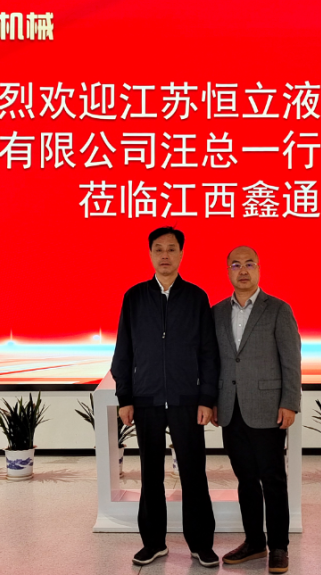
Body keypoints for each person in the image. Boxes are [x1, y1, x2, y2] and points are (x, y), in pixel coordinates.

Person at [110, 226, 221, 568]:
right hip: (147, 399)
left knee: (193, 473)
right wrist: (125, 398)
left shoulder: (196, 297)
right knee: (150, 474)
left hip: (188, 400)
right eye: (158, 249)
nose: (165, 255)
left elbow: (208, 353)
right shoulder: (134, 297)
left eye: (171, 249)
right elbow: (123, 351)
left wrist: (206, 398)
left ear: (182, 253)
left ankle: (201, 544)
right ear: (150, 254)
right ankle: (153, 543)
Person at [211, 246, 301, 575]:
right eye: (236, 265)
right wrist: (213, 400)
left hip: (267, 408)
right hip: (230, 409)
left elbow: (291, 359)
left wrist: (290, 402)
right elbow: (213, 361)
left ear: (259, 269)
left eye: (249, 264)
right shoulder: (216, 312)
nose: (243, 270)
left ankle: (279, 547)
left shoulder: (277, 309)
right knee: (245, 479)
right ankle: (254, 542)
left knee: (273, 479)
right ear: (228, 271)